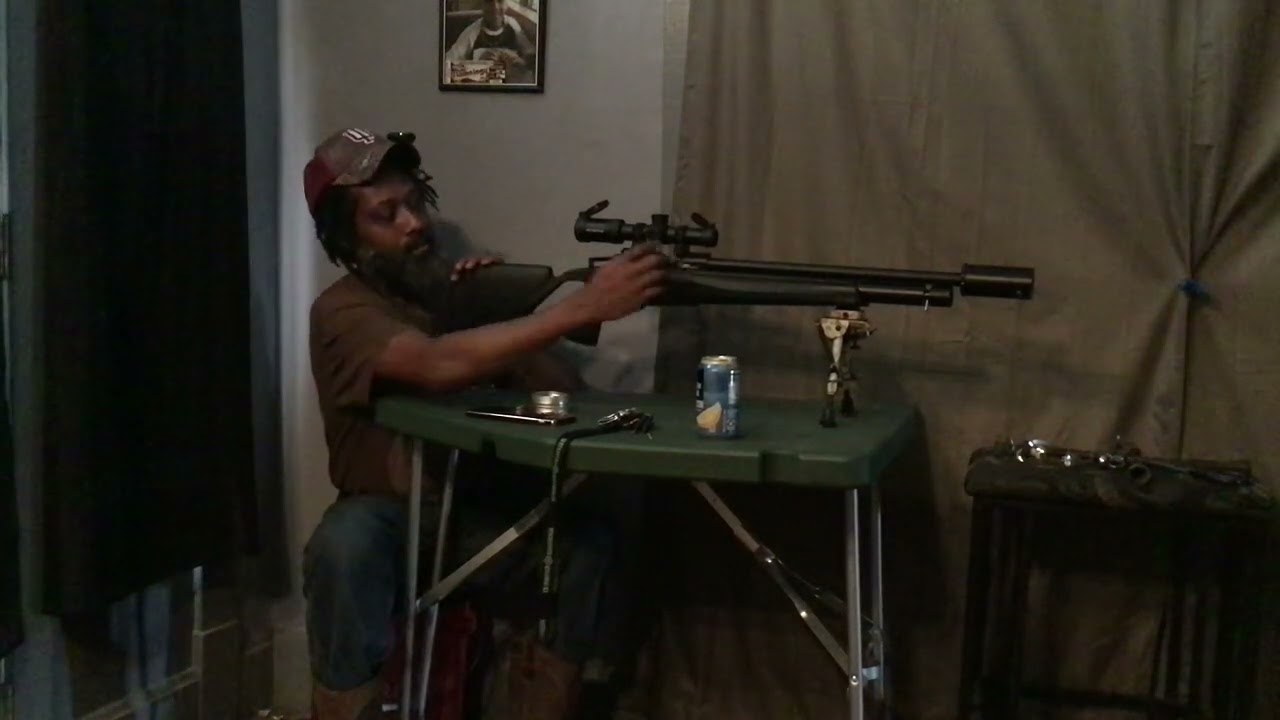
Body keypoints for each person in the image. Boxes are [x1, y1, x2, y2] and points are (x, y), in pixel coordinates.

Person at [300, 127, 664, 720]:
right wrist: (581, 308)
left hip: (474, 513)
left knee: (587, 547)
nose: (413, 224)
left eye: (414, 204)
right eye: (385, 215)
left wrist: (497, 320)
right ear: (348, 239)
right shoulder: (342, 311)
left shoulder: (445, 295)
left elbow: (563, 396)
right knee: (343, 547)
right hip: (391, 517)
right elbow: (433, 364)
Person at [444, 0, 537, 75]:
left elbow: (530, 54)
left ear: (506, 4)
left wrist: (519, 62)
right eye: (489, 1)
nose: (495, 7)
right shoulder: (473, 32)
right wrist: (479, 65)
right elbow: (446, 63)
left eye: (500, 1)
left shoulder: (513, 25)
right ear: (482, 5)